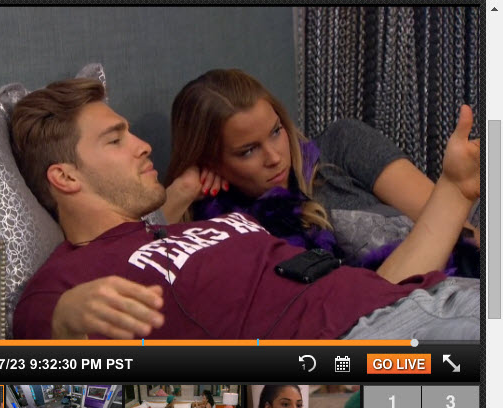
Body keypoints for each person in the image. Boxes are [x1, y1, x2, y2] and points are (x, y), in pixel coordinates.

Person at [10, 77, 478, 341]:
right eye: (116, 140)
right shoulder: (71, 276)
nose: (143, 145)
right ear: (65, 177)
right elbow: (36, 330)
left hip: (423, 298)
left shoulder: (201, 228)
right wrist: (67, 317)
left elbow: (374, 291)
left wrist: (455, 191)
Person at [163, 69, 480, 273]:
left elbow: (459, 229)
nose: (274, 157)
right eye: (248, 150)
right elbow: (142, 257)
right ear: (210, 162)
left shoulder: (342, 144)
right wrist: (181, 192)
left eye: (275, 131)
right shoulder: (227, 233)